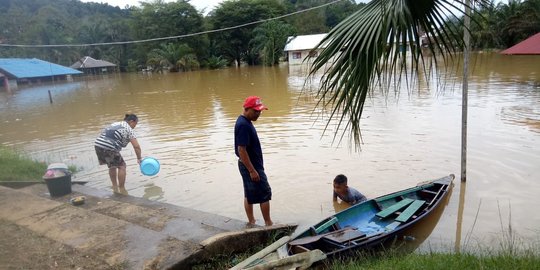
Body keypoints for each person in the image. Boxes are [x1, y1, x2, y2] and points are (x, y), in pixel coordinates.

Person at [234, 96, 273, 226]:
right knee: (265, 193)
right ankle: (268, 224)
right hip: (251, 166)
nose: (259, 114)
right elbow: (241, 150)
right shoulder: (243, 125)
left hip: (249, 165)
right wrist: (252, 170)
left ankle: (251, 221)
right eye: (256, 111)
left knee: (248, 194)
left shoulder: (244, 121)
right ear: (247, 109)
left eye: (260, 111)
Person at [94, 114, 142, 192]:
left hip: (98, 144)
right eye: (135, 124)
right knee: (122, 166)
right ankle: (122, 189)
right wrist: (139, 158)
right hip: (109, 146)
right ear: (131, 122)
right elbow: (136, 146)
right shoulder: (129, 129)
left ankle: (114, 187)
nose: (135, 126)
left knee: (112, 166)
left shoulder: (116, 123)